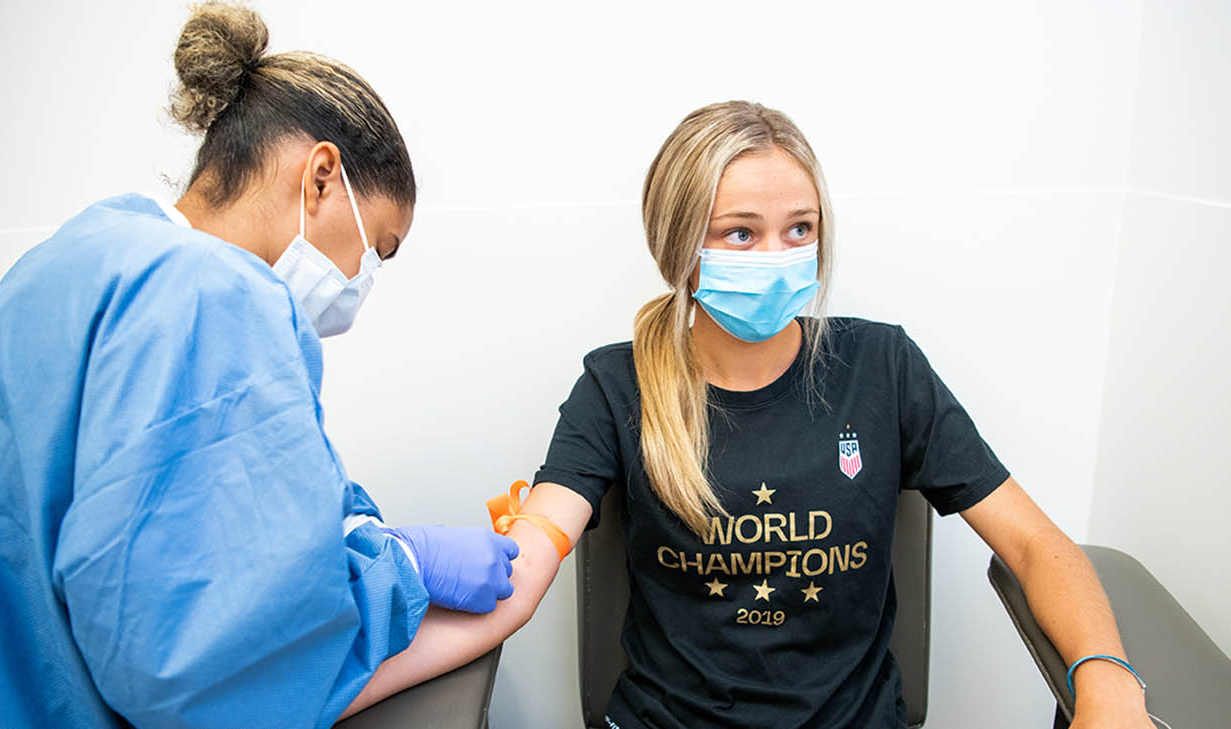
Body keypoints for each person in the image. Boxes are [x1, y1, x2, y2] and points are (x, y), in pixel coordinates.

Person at [356, 101, 1158, 728]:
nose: (777, 255)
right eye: (740, 233)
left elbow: (1032, 540)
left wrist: (1105, 675)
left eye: (798, 229)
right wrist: (312, 691)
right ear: (680, 248)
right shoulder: (618, 386)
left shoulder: (882, 369)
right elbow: (522, 571)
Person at [0, 4, 518, 728]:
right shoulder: (215, 296)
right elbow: (196, 664)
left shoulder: (88, 252)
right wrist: (396, 576)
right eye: (377, 249)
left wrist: (367, 537)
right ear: (322, 178)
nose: (362, 279)